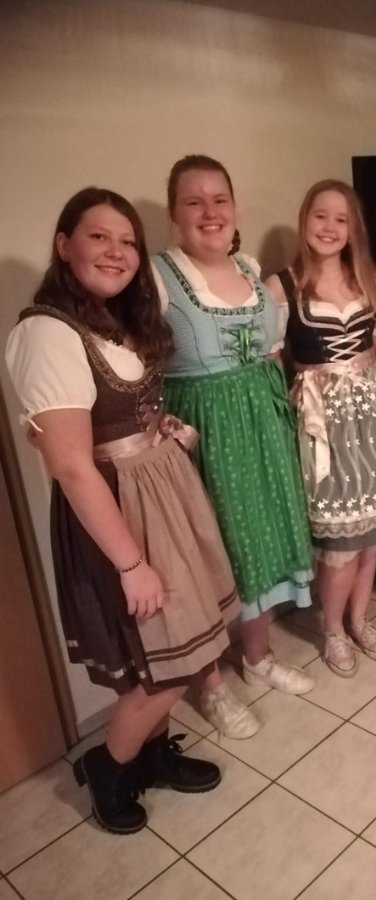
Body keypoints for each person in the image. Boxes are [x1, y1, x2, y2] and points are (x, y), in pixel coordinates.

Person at [5, 188, 235, 834]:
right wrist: (132, 565)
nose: (117, 252)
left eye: (128, 241)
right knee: (166, 665)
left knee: (167, 653)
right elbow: (73, 467)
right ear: (64, 245)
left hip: (160, 494)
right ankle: (108, 765)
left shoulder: (114, 321)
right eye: (99, 237)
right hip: (118, 515)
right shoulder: (47, 333)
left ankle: (151, 754)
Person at [152, 155, 315, 714]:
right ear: (174, 213)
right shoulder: (158, 278)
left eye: (219, 199)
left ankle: (258, 656)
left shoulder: (249, 267)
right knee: (207, 554)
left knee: (260, 540)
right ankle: (212, 686)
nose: (210, 212)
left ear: (234, 207)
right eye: (194, 202)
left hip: (261, 420)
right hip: (203, 429)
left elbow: (271, 350)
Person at [266, 180, 376, 677]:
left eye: (340, 219)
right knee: (340, 543)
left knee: (370, 536)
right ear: (305, 220)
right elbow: (271, 366)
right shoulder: (281, 287)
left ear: (353, 229)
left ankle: (359, 618)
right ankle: (332, 630)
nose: (329, 227)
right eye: (320, 216)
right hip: (321, 422)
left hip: (374, 414)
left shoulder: (368, 279)